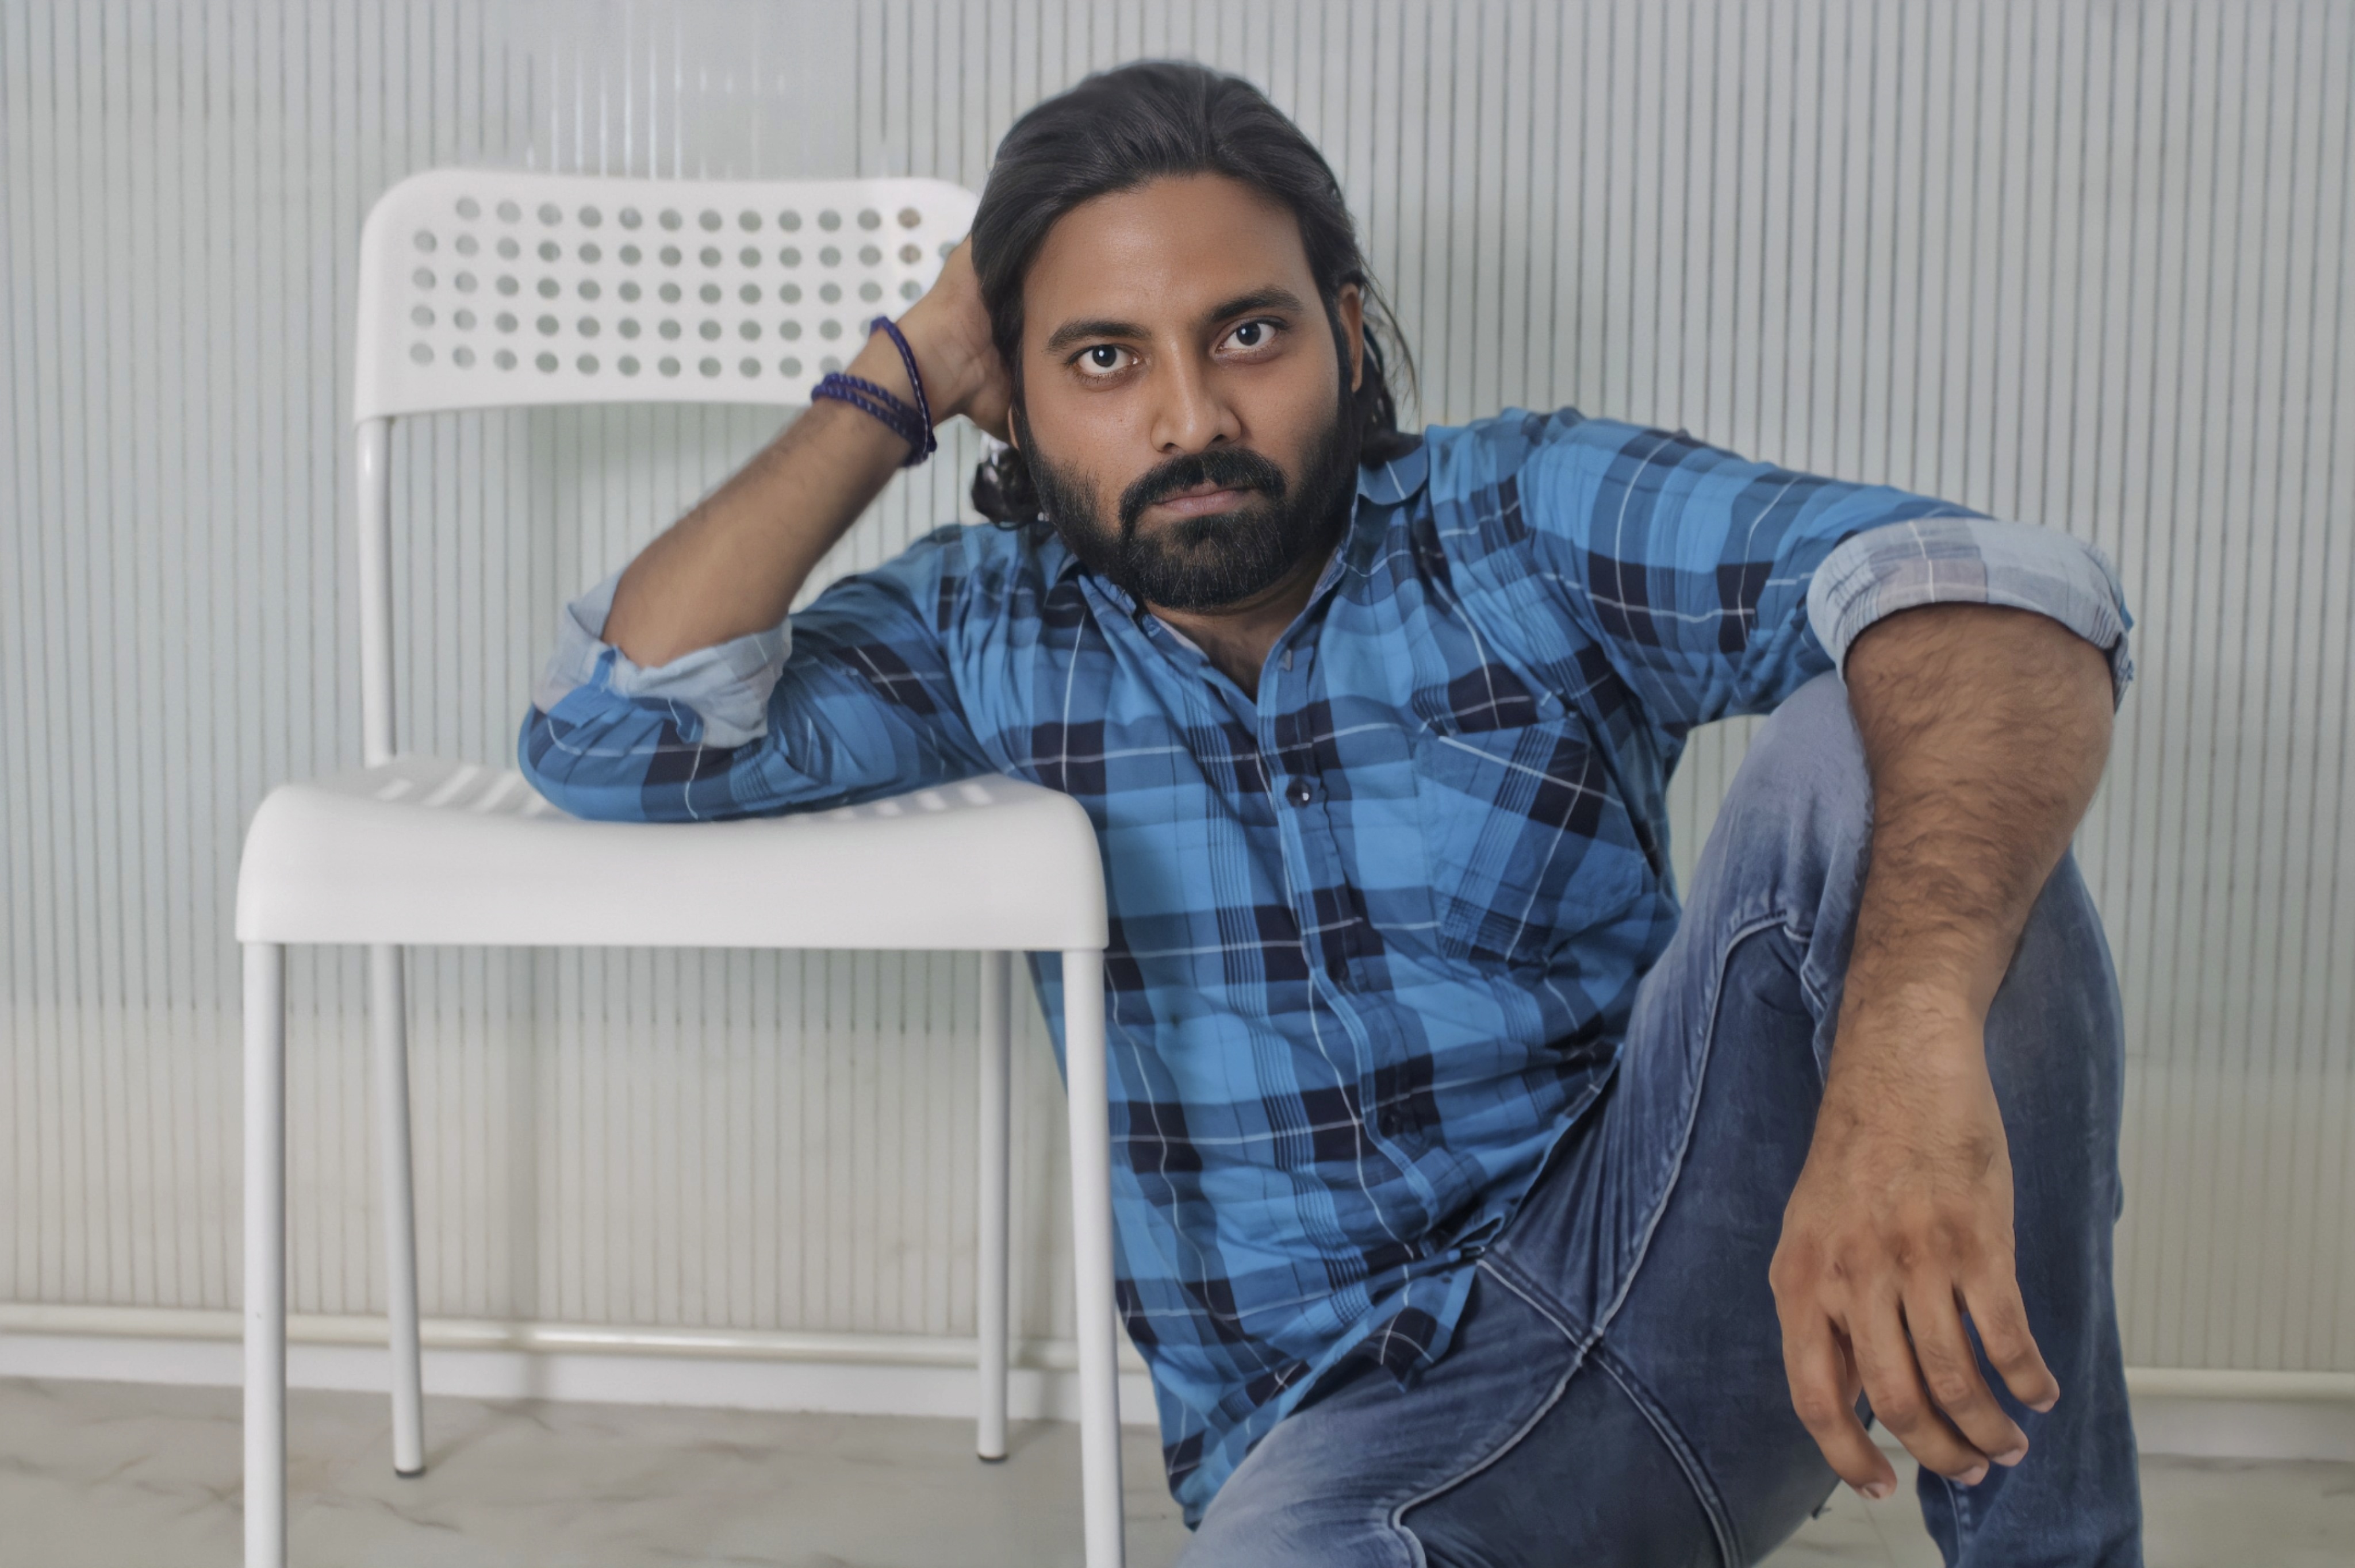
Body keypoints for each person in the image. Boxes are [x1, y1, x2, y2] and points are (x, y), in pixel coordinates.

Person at [519, 60, 2140, 1567]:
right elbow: (614, 730)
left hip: (1703, 1287)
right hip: (1347, 1451)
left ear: (1347, 336)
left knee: (1890, 731)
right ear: (1011, 397)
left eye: (1248, 334)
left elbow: (2001, 597)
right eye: (1104, 359)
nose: (1191, 419)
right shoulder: (980, 631)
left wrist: (1904, 1055)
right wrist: (907, 364)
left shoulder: (1519, 517)